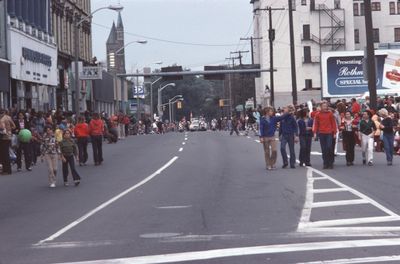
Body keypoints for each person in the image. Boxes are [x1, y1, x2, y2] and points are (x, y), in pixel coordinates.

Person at [313, 102, 337, 169]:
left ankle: (330, 162)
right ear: (321, 107)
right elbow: (316, 124)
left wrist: (334, 133)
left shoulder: (330, 114)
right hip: (321, 133)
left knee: (329, 147)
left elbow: (333, 123)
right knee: (324, 149)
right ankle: (325, 163)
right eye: (323, 106)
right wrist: (315, 133)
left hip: (329, 132)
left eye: (325, 106)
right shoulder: (317, 114)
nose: (324, 107)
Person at [0, 109, 16, 175]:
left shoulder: (1, 119)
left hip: (3, 138)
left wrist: (5, 130)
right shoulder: (8, 117)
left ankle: (6, 170)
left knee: (4, 154)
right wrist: (9, 130)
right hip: (9, 137)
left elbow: (2, 129)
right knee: (6, 153)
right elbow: (14, 126)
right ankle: (7, 170)